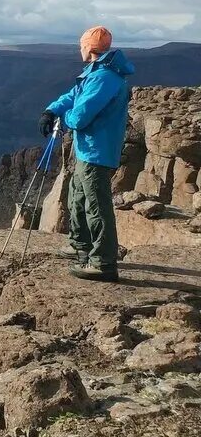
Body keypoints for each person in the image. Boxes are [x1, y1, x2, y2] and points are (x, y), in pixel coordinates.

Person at [40, 26, 134, 282]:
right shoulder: (96, 73)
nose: (79, 49)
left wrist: (64, 119)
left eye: (81, 45)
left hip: (97, 151)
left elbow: (80, 117)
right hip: (88, 149)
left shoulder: (103, 78)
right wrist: (51, 110)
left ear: (89, 48)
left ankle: (103, 263)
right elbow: (74, 95)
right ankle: (80, 244)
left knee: (96, 206)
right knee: (78, 197)